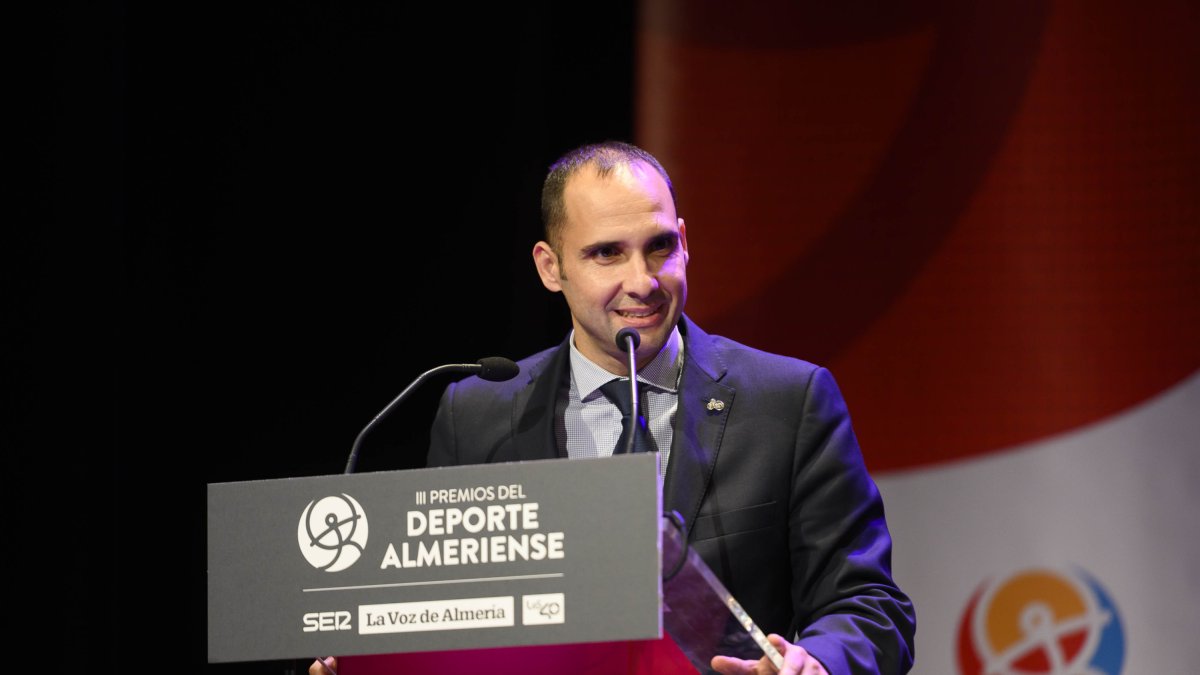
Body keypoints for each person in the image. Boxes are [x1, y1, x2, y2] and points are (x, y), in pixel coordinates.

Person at [313, 141, 915, 675]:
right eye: (606, 254)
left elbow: (870, 606)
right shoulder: (476, 415)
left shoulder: (789, 399)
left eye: (659, 247)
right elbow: (448, 617)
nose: (643, 281)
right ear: (552, 268)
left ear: (685, 241)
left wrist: (818, 663)